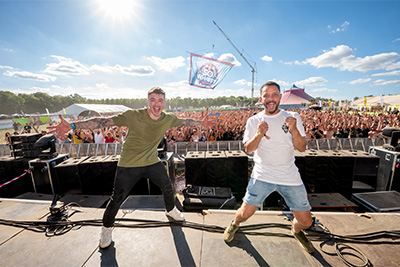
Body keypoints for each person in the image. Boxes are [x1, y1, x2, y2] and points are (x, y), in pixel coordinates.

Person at [47, 87, 213, 249]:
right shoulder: (133, 115)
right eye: (153, 100)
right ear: (148, 102)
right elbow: (102, 122)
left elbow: (186, 121)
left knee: (168, 186)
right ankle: (106, 230)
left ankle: (170, 210)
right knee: (116, 199)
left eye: (160, 100)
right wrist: (72, 126)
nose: (157, 104)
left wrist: (201, 122)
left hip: (151, 161)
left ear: (164, 102)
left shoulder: (167, 118)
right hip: (129, 164)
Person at [223, 81, 314, 254]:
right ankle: (234, 224)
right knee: (244, 214)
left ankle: (296, 230)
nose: (270, 99)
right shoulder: (253, 120)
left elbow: (302, 147)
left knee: (307, 222)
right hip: (262, 175)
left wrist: (294, 129)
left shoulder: (293, 117)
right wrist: (259, 134)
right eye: (266, 95)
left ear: (280, 97)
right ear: (261, 98)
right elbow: (248, 149)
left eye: (274, 95)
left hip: (289, 175)